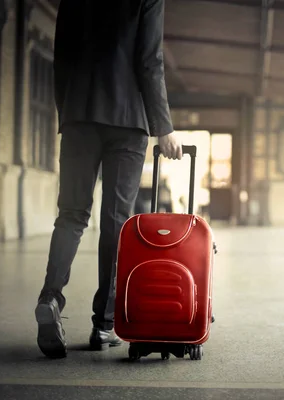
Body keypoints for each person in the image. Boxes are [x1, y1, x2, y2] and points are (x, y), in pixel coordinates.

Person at [34, 0, 182, 359]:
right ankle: (104, 324)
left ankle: (50, 298)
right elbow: (150, 61)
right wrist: (164, 128)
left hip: (80, 116)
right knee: (116, 222)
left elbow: (62, 56)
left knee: (71, 215)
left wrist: (68, 112)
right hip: (129, 120)